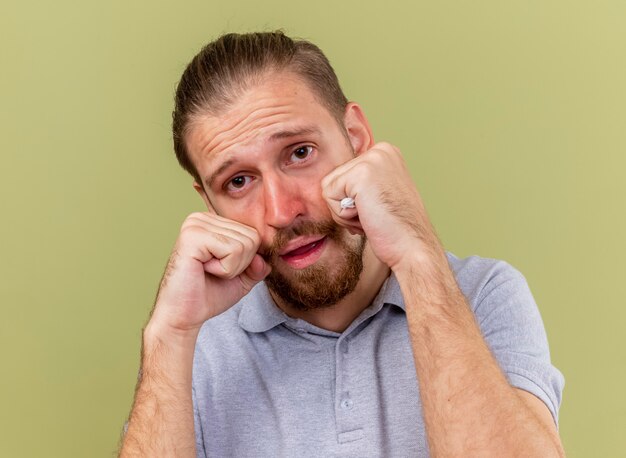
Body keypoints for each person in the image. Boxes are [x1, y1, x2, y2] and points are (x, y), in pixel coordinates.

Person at [119, 31, 565, 457]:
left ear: (355, 137)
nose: (281, 211)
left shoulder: (483, 295)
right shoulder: (195, 349)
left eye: (299, 152)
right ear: (209, 203)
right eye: (238, 181)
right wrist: (169, 335)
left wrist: (418, 257)